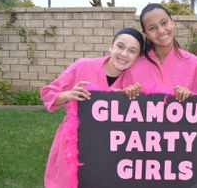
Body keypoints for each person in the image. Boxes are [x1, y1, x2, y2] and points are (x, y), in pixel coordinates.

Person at [40, 28, 145, 188]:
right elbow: (48, 93)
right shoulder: (82, 66)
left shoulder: (133, 82)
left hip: (108, 148)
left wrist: (129, 98)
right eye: (120, 46)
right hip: (73, 144)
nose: (124, 54)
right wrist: (70, 94)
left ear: (138, 57)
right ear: (111, 46)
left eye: (132, 51)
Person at [121, 3, 197, 101]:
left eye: (164, 23)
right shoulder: (133, 66)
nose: (161, 31)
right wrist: (127, 93)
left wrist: (191, 96)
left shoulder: (194, 63)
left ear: (172, 22)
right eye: (152, 28)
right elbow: (120, 105)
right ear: (147, 35)